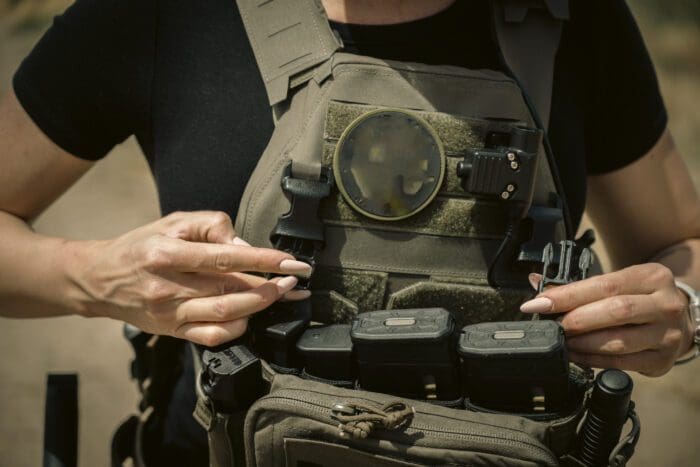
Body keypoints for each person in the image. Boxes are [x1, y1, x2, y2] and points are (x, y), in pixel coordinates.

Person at [1, 0, 698, 464]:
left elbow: (684, 246)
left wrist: (684, 309)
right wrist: (94, 277)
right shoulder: (164, 14)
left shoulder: (574, 19)